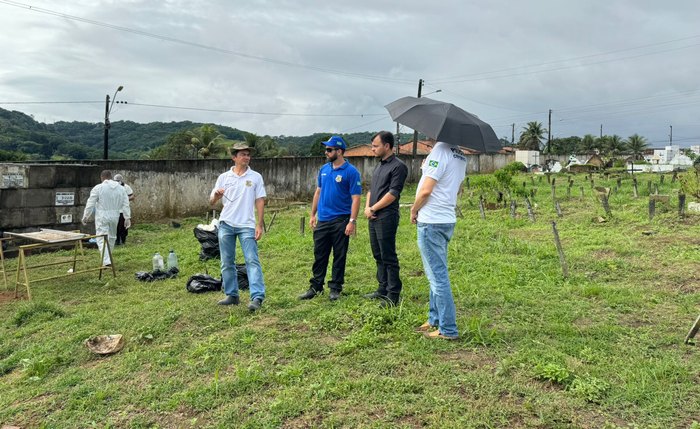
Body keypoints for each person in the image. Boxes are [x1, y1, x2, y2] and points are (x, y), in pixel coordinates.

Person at [410, 140, 467, 340]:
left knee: (437, 276)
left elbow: (426, 191)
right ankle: (434, 319)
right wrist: (427, 168)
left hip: (431, 221)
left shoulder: (439, 151)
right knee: (434, 273)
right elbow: (455, 187)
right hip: (446, 219)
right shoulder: (460, 155)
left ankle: (448, 329)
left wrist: (414, 208)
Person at [299, 135, 361, 301]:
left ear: (339, 151)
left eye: (329, 149)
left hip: (341, 220)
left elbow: (356, 198)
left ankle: (335, 288)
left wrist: (352, 221)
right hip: (323, 220)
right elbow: (318, 191)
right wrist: (313, 214)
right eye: (326, 149)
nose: (326, 152)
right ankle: (316, 286)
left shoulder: (351, 172)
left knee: (339, 255)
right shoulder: (324, 169)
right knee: (320, 255)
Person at [210, 142, 267, 312]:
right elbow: (211, 202)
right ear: (234, 157)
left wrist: (259, 224)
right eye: (243, 154)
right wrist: (216, 196)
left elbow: (260, 200)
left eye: (248, 154)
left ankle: (257, 297)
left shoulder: (255, 177)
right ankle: (232, 295)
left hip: (247, 225)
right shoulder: (224, 177)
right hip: (226, 224)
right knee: (227, 261)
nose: (246, 157)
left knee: (252, 260)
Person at [362, 131, 408, 308]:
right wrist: (367, 208)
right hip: (373, 216)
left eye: (376, 146)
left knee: (388, 256)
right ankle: (382, 288)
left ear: (387, 146)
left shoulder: (398, 166)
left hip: (386, 216)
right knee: (377, 254)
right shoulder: (379, 165)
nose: (373, 149)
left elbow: (393, 194)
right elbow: (371, 190)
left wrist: (373, 208)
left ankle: (393, 294)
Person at [82, 170, 130, 267]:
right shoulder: (121, 189)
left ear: (102, 178)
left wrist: (86, 216)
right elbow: (126, 204)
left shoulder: (98, 188)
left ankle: (106, 261)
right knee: (112, 237)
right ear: (111, 177)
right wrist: (127, 217)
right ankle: (108, 258)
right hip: (115, 215)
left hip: (102, 215)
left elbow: (90, 203)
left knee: (101, 237)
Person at [113, 174, 134, 245]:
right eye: (116, 181)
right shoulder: (112, 188)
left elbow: (132, 196)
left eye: (118, 181)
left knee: (124, 226)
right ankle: (117, 240)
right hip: (115, 210)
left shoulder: (126, 187)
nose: (117, 182)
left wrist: (125, 199)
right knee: (116, 227)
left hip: (123, 211)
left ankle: (123, 240)